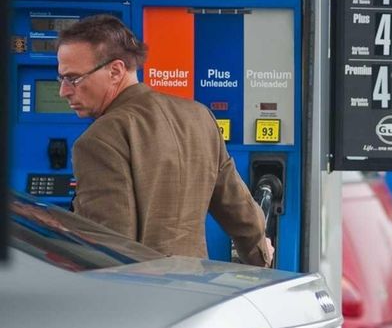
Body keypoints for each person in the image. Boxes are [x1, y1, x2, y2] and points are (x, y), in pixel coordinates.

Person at [56, 14, 273, 267]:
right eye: (61, 79)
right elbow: (243, 214)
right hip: (194, 291)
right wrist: (261, 260)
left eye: (73, 78)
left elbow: (110, 246)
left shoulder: (98, 140)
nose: (64, 91)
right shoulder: (199, 116)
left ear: (115, 71)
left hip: (141, 297)